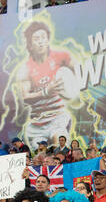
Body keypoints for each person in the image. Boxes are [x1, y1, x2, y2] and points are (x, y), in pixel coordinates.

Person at [13, 21, 79, 149]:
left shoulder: (60, 56)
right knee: (41, 157)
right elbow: (25, 97)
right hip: (37, 124)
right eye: (36, 38)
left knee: (58, 148)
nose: (41, 41)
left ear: (48, 39)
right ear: (30, 44)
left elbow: (80, 69)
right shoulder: (25, 69)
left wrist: (72, 87)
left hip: (57, 117)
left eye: (43, 37)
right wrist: (45, 92)